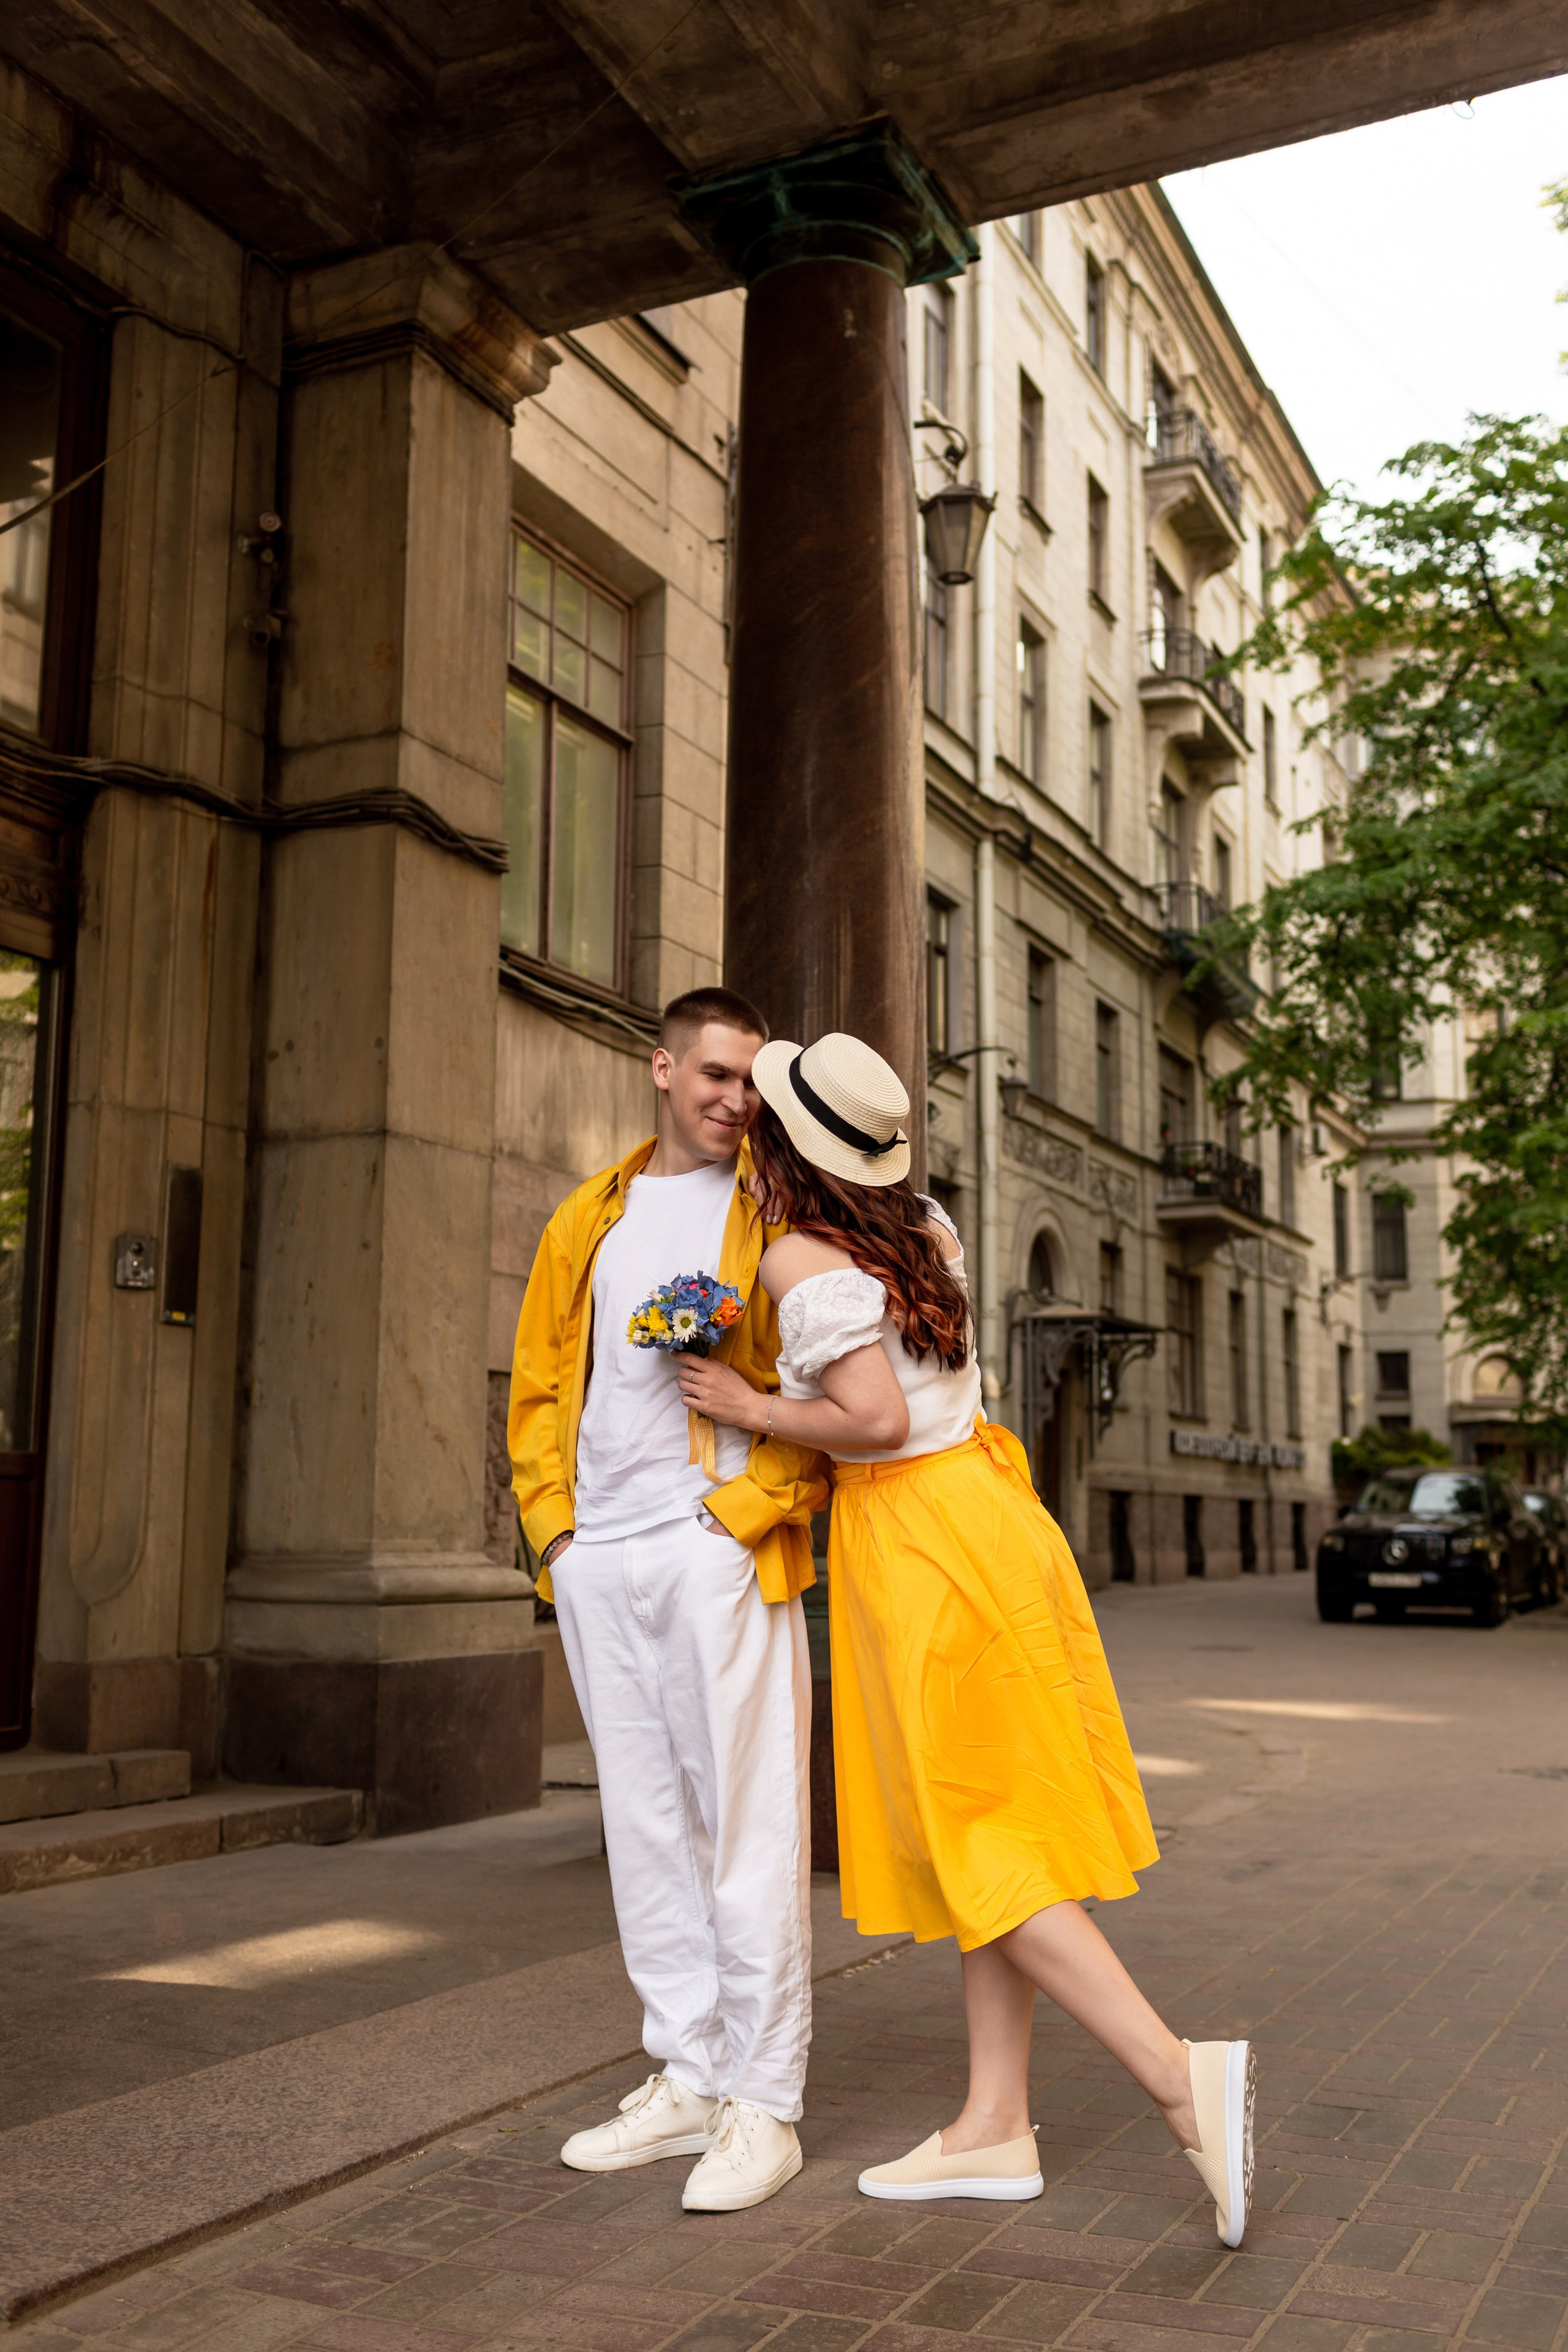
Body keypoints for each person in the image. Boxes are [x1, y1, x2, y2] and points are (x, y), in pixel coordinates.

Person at [676, 1030, 1254, 2246]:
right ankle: (993, 2124)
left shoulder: (796, 1250)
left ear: (780, 1140)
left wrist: (749, 1405)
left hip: (920, 1539)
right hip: (994, 1518)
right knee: (991, 1820)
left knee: (974, 1827)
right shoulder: (919, 1224)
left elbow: (872, 1417)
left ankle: (1172, 2073)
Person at [508, 989, 829, 2213]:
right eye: (713, 1076)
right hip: (602, 1557)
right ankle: (688, 2075)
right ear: (659, 1067)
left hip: (718, 1552)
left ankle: (765, 2103)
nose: (733, 1101)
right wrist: (557, 1539)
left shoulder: (782, 1212)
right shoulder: (589, 1211)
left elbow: (820, 1382)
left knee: (747, 1829)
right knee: (645, 1828)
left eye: (750, 1081)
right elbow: (540, 1381)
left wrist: (741, 1513)